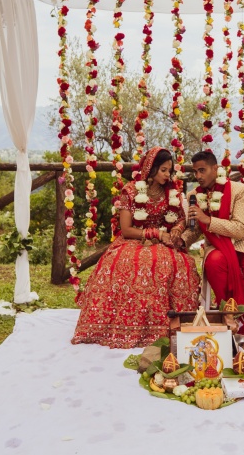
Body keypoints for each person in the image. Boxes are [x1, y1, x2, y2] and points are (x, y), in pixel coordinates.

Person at [72, 148, 200, 348]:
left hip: (164, 243)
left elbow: (181, 220)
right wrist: (156, 234)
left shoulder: (171, 192)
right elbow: (126, 230)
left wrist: (176, 230)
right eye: (164, 170)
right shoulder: (131, 191)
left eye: (170, 171)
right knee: (131, 263)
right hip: (135, 240)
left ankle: (172, 325)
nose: (168, 175)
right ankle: (123, 324)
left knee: (178, 264)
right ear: (151, 168)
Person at [180, 150, 244, 334]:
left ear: (215, 169)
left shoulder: (239, 190)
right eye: (195, 172)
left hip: (243, 242)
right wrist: (181, 241)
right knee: (214, 262)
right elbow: (194, 229)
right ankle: (230, 315)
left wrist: (208, 220)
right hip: (216, 245)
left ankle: (230, 313)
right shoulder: (194, 194)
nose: (198, 176)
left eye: (202, 170)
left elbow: (239, 229)